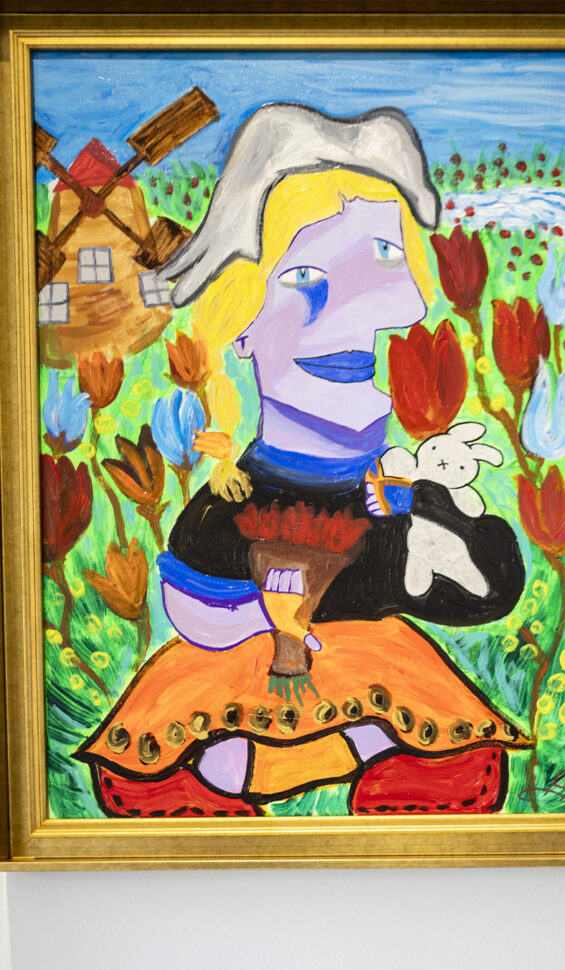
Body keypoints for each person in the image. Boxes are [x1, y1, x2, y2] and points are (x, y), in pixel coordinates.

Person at [78, 103, 528, 817]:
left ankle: (381, 766)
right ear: (241, 325)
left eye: (385, 260)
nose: (370, 312)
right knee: (195, 697)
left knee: (406, 676)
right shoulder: (234, 498)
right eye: (304, 277)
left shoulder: (401, 490)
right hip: (245, 702)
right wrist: (329, 593)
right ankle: (216, 777)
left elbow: (486, 592)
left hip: (373, 699)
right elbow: (195, 601)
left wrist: (436, 530)